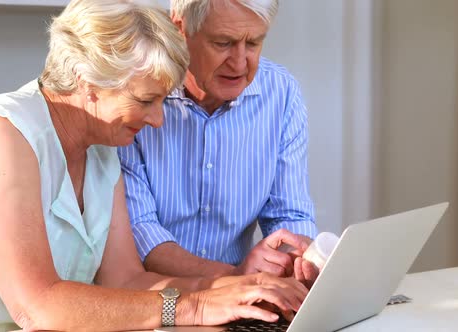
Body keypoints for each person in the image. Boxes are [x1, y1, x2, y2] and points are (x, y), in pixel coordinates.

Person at [0, 1, 308, 331]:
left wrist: (234, 290)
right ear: (89, 83)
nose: (158, 120)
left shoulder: (101, 148)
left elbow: (126, 281)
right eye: (145, 100)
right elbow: (35, 307)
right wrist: (195, 306)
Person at [118, 0, 320, 288]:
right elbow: (140, 231)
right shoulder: (137, 94)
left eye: (253, 43)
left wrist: (295, 263)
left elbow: (289, 215)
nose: (239, 63)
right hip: (152, 297)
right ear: (180, 28)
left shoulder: (282, 94)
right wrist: (234, 277)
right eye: (223, 43)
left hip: (240, 294)